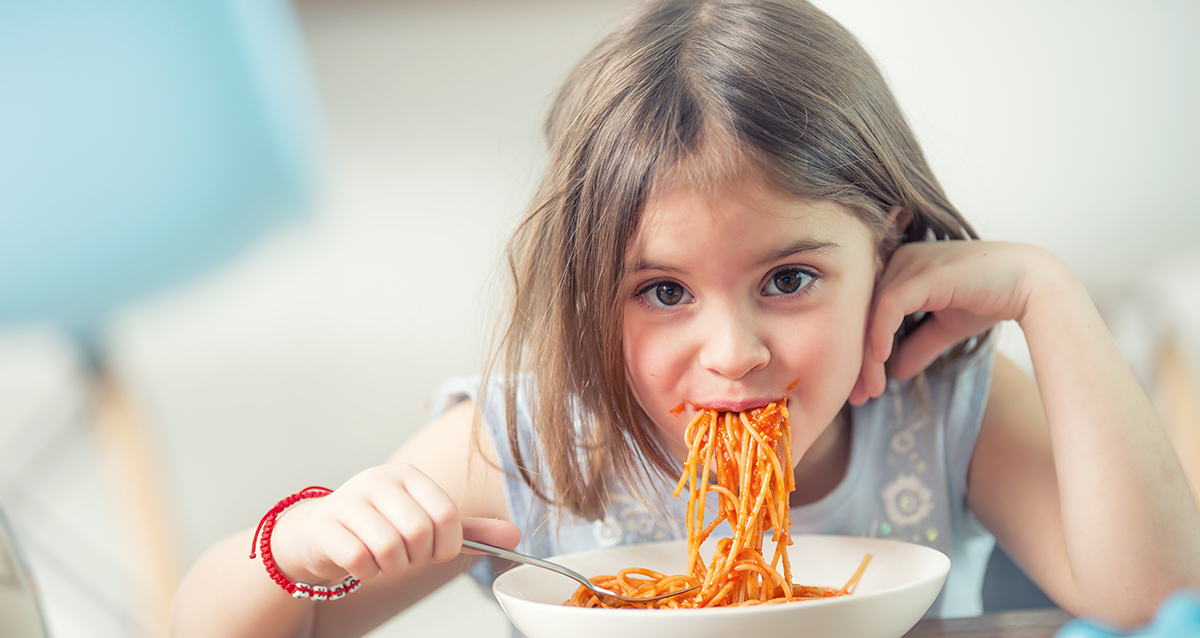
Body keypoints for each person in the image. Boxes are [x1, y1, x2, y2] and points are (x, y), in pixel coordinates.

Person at [170, 1, 1200, 636]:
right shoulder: (533, 447)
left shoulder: (943, 407)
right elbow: (208, 629)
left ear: (886, 245)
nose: (733, 352)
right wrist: (295, 542)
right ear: (587, 289)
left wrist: (1045, 294)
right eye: (663, 291)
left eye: (790, 279)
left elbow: (1147, 595)